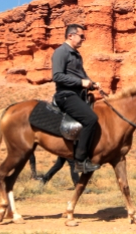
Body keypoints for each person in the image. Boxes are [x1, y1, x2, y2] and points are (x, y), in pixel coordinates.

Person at [51, 23, 100, 174]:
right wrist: (81, 83)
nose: (83, 39)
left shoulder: (76, 55)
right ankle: (80, 161)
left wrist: (92, 84)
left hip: (78, 95)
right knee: (91, 119)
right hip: (66, 95)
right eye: (81, 36)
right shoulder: (61, 52)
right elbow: (57, 76)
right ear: (70, 35)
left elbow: (82, 76)